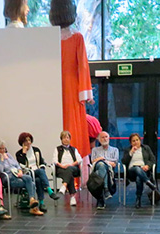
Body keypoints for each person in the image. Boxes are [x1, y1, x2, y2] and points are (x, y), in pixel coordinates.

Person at [50, 0, 92, 162]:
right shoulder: (77, 37)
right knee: (72, 124)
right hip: (72, 87)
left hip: (52, 87)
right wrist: (85, 93)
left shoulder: (48, 38)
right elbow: (83, 66)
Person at [0, 139, 44, 216]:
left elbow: (17, 165)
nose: (3, 150)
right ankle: (33, 206)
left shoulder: (8, 155)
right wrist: (2, 159)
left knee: (30, 180)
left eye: (4, 148)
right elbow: (0, 170)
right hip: (8, 177)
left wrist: (19, 171)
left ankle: (32, 202)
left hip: (17, 175)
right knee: (30, 182)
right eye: (0, 149)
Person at [16, 132, 58, 209]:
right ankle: (49, 190)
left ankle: (41, 203)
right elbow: (21, 165)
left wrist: (41, 167)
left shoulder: (36, 150)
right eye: (26, 141)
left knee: (38, 180)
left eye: (29, 140)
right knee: (40, 172)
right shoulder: (19, 153)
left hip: (38, 172)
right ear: (22, 142)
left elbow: (41, 162)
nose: (28, 142)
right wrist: (24, 153)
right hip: (28, 173)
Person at [121, 133, 159, 208]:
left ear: (140, 140)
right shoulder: (128, 150)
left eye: (137, 140)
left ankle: (138, 199)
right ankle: (148, 182)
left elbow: (153, 159)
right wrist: (131, 152)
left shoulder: (146, 148)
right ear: (131, 143)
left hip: (143, 170)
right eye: (133, 141)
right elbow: (124, 161)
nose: (136, 142)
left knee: (139, 178)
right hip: (132, 171)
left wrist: (148, 166)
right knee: (137, 168)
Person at [89, 130, 119, 209]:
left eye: (106, 137)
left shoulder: (115, 150)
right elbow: (92, 161)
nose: (105, 139)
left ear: (109, 138)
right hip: (96, 169)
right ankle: (106, 189)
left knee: (102, 166)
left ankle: (100, 199)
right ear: (99, 139)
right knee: (101, 165)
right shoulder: (95, 150)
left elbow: (114, 162)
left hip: (108, 171)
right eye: (102, 137)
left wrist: (102, 159)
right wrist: (101, 160)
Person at [54, 130, 83, 206]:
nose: (66, 139)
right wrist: (62, 166)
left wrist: (71, 164)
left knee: (69, 170)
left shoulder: (74, 149)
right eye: (64, 138)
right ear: (61, 139)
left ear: (70, 139)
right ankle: (72, 197)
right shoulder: (57, 149)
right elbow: (54, 160)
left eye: (67, 138)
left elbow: (79, 159)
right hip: (61, 168)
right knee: (69, 174)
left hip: (73, 168)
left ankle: (64, 185)